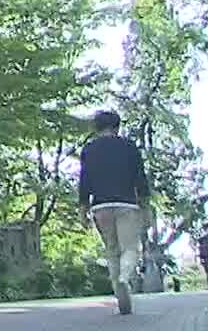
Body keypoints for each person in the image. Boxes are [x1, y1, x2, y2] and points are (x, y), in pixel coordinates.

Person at [79, 109, 151, 316]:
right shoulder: (128, 146)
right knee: (129, 248)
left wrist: (83, 209)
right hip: (126, 204)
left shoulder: (89, 149)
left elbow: (84, 181)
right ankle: (124, 277)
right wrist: (145, 206)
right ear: (117, 126)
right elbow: (140, 178)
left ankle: (119, 289)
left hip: (100, 206)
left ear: (96, 127)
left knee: (112, 250)